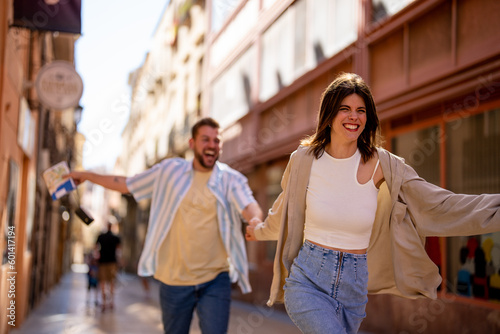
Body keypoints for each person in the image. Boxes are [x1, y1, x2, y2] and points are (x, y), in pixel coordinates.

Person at [245, 72, 500, 334]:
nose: (354, 117)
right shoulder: (304, 160)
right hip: (308, 280)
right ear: (329, 114)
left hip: (354, 287)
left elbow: (439, 203)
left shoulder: (383, 165)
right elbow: (284, 213)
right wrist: (260, 230)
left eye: (361, 110)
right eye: (345, 109)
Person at [66, 117, 263, 334]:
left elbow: (249, 205)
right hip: (174, 281)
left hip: (215, 279)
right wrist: (87, 176)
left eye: (216, 141)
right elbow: (128, 184)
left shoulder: (230, 179)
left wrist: (255, 221)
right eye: (205, 139)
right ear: (192, 143)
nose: (212, 145)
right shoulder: (170, 171)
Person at [95, 221, 121, 311]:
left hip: (102, 262)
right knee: (111, 282)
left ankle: (104, 303)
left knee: (103, 282)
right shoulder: (116, 238)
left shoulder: (101, 237)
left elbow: (96, 248)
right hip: (112, 263)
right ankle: (111, 302)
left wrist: (97, 256)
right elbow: (119, 249)